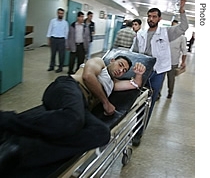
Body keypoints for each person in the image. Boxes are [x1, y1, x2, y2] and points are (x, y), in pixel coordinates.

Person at [0, 55, 146, 175]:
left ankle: (21, 151)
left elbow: (135, 84)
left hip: (80, 108)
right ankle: (6, 120)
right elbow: (88, 76)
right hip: (67, 87)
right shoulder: (99, 63)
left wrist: (139, 74)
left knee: (102, 134)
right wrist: (105, 102)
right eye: (120, 65)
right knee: (73, 120)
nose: (121, 70)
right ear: (112, 60)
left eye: (125, 70)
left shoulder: (113, 84)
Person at [130, 0, 189, 146]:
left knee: (149, 102)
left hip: (158, 73)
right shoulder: (140, 34)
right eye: (149, 16)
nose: (151, 19)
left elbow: (184, 27)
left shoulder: (166, 32)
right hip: (142, 72)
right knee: (137, 100)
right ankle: (134, 125)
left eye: (154, 17)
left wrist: (182, 10)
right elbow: (133, 53)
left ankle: (139, 132)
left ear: (159, 18)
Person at [162, 19, 187, 99]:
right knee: (160, 78)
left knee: (171, 79)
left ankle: (170, 93)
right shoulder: (166, 35)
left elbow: (184, 51)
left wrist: (183, 62)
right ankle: (158, 93)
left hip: (173, 62)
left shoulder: (181, 37)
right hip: (163, 61)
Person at [46, 8, 69, 73]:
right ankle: (51, 66)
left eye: (62, 13)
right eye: (59, 13)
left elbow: (66, 33)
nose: (60, 14)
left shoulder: (65, 23)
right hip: (53, 39)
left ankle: (60, 67)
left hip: (61, 40)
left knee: (61, 55)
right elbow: (49, 30)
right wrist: (48, 40)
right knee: (53, 54)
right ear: (57, 13)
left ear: (63, 14)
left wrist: (66, 43)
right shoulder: (52, 21)